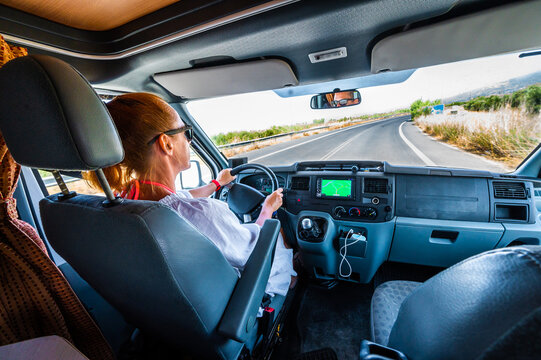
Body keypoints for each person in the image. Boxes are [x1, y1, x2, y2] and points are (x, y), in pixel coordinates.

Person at [85, 93, 296, 297]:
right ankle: (290, 284)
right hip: (238, 307)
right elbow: (251, 249)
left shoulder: (124, 201)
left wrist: (217, 183)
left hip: (175, 310)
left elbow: (181, 198)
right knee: (277, 234)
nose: (188, 141)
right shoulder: (203, 213)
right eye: (186, 132)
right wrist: (267, 210)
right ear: (167, 144)